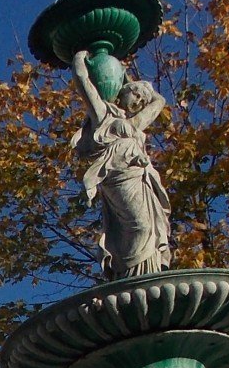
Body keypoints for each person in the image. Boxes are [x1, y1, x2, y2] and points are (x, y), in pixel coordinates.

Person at [70, 51, 172, 278]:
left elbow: (160, 101)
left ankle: (143, 277)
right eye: (136, 94)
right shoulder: (104, 116)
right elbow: (83, 82)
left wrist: (128, 78)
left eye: (141, 101)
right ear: (123, 91)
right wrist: (78, 59)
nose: (138, 102)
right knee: (141, 228)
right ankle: (132, 280)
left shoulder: (133, 124)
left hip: (141, 180)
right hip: (118, 179)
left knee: (153, 231)